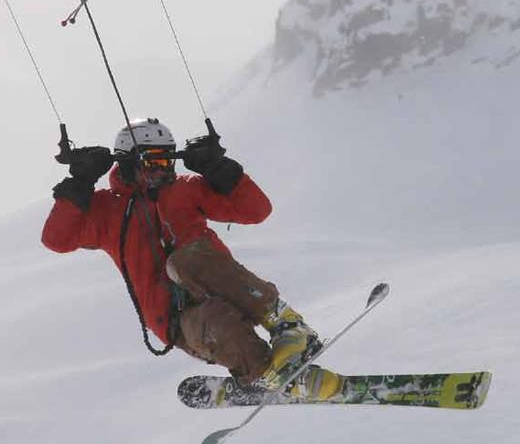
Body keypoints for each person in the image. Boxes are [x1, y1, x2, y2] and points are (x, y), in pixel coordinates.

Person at [41, 117, 340, 399]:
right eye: (154, 161)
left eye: (167, 160)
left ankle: (289, 327)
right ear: (130, 164)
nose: (163, 170)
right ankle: (267, 373)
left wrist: (219, 169)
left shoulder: (183, 191)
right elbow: (56, 239)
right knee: (218, 324)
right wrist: (79, 184)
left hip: (222, 284)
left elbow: (257, 210)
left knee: (185, 260)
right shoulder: (107, 210)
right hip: (178, 320)